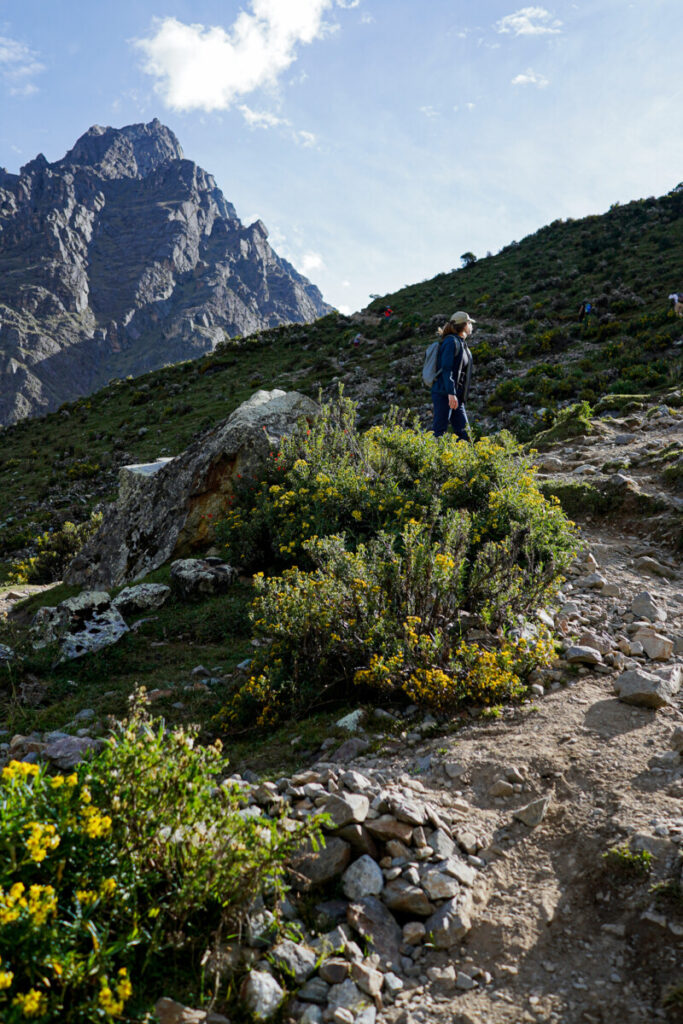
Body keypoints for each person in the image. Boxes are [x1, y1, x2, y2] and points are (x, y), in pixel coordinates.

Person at [431, 311, 474, 440]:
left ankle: (467, 459)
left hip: (456, 396)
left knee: (465, 434)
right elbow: (446, 368)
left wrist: (456, 395)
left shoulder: (461, 343)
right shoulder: (451, 342)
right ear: (465, 325)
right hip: (445, 394)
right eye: (469, 323)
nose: (471, 326)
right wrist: (451, 393)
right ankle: (434, 459)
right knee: (440, 432)